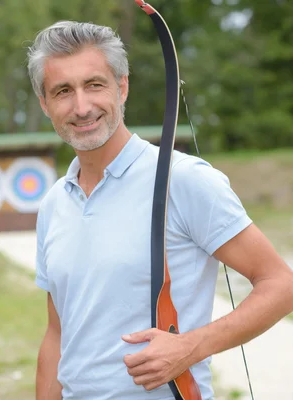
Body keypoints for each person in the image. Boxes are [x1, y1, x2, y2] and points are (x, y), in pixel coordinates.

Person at [27, 21, 293, 400]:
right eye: (63, 91)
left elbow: (280, 285)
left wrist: (192, 346)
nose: (81, 106)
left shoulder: (182, 180)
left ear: (122, 87)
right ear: (45, 103)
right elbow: (57, 336)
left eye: (95, 84)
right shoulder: (54, 204)